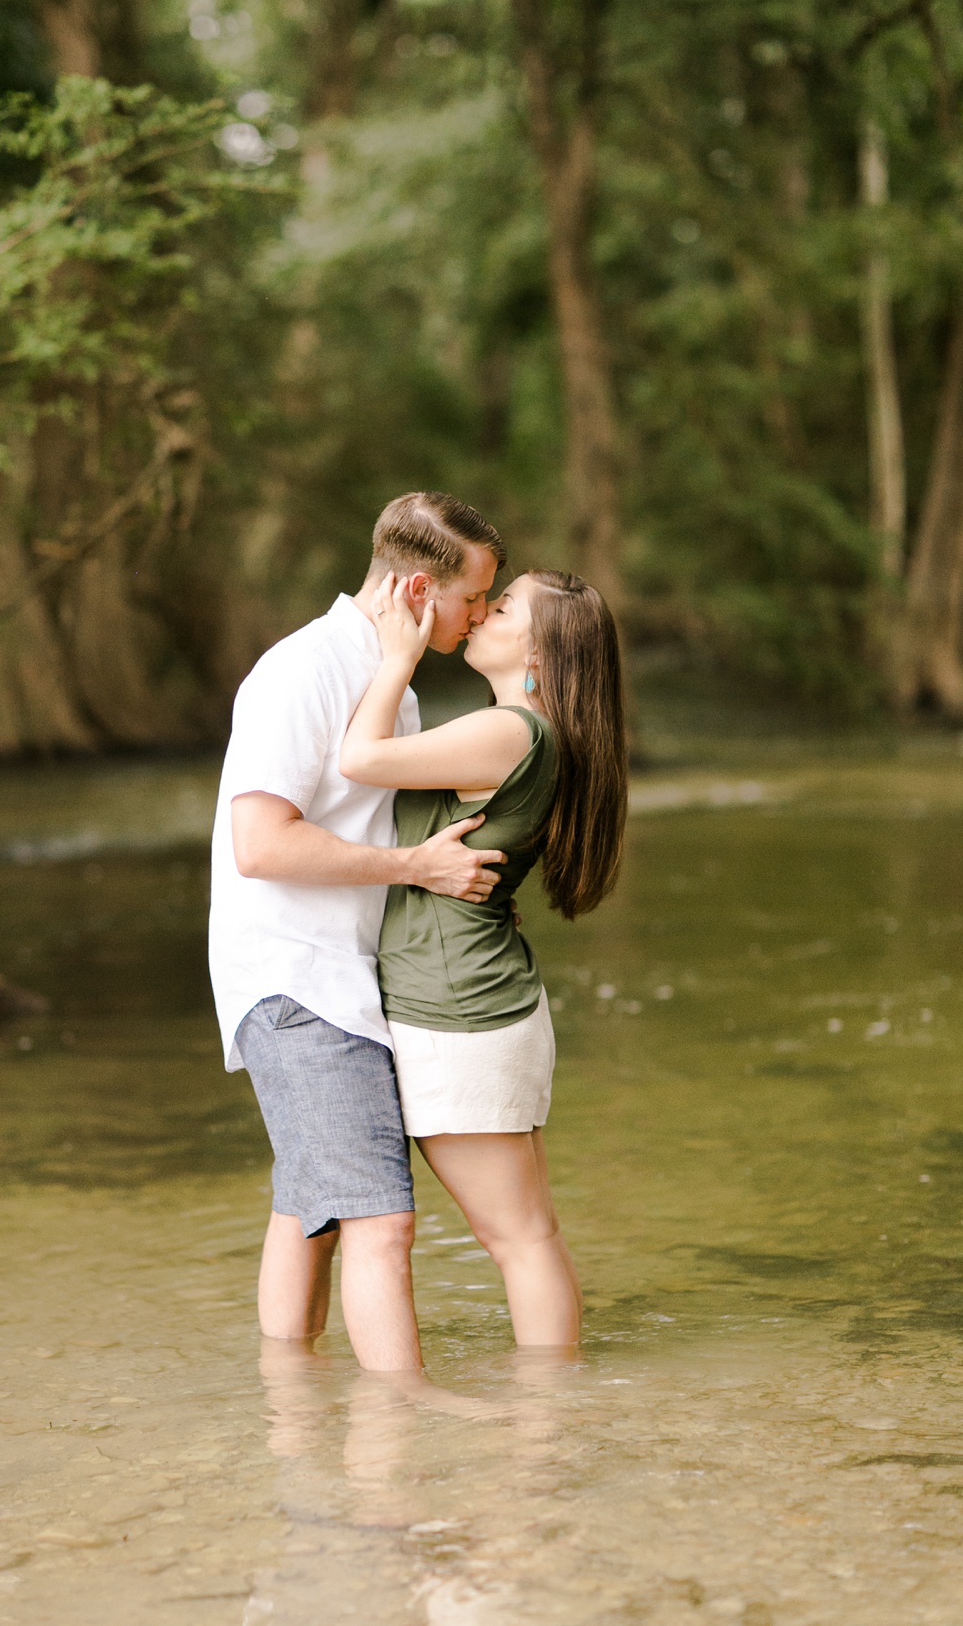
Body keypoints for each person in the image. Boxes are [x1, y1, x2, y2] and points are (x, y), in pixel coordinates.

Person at [209, 491, 507, 1374]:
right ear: (420, 591)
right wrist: (417, 870)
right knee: (382, 1218)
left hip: (336, 977)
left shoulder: (395, 692)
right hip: (296, 981)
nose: (482, 615)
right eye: (472, 599)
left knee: (311, 1211)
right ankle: (400, 1428)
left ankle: (291, 1407)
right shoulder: (303, 670)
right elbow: (260, 846)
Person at [340, 566, 627, 1347]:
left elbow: (359, 760)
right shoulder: (526, 732)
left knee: (520, 1238)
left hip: (459, 1009)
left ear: (542, 655)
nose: (482, 615)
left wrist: (398, 657)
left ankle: (545, 1426)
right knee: (530, 1232)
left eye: (502, 609)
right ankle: (555, 1413)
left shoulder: (510, 732)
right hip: (483, 1001)